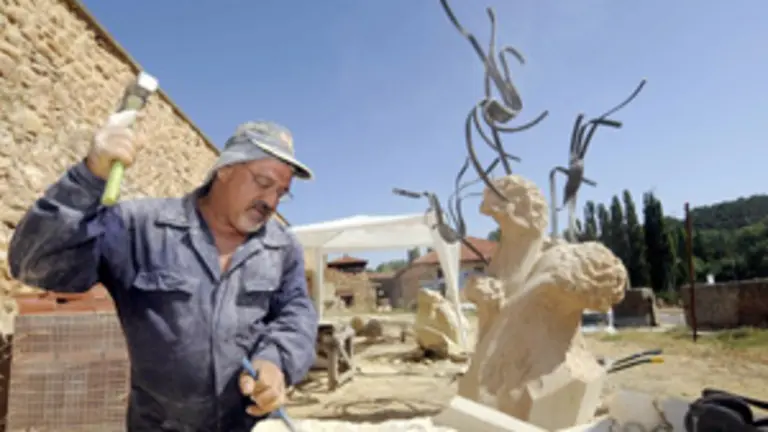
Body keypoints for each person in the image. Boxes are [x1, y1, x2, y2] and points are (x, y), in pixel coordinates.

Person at [8, 110, 319, 431]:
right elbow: (35, 265)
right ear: (225, 169)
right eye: (264, 182)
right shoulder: (140, 228)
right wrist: (88, 177)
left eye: (281, 192)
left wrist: (275, 359)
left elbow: (296, 314)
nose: (270, 200)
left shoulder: (282, 248)